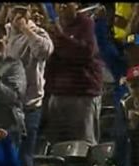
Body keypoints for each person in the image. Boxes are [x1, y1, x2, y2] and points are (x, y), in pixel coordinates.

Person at [43, 1, 104, 144]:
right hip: (58, 95)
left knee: (84, 145)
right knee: (56, 145)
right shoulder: (52, 27)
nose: (62, 6)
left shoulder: (86, 24)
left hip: (83, 94)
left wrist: (60, 37)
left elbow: (85, 52)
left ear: (76, 4)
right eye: (58, 3)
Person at [2, 3, 53, 166]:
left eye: (22, 11)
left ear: (29, 12)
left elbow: (43, 51)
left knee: (24, 157)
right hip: (6, 105)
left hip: (29, 105)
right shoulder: (4, 32)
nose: (18, 14)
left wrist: (25, 29)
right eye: (14, 10)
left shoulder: (37, 32)